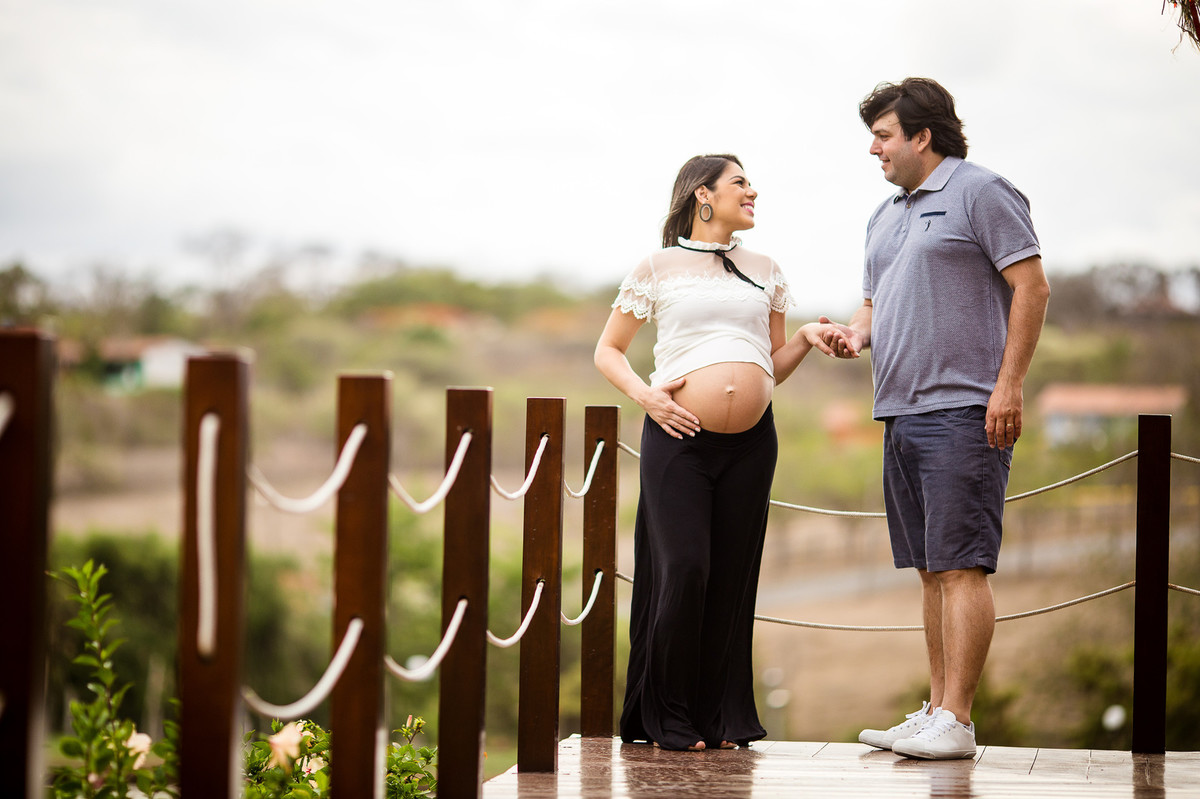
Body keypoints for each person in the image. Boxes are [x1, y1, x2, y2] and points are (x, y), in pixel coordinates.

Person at [824, 78, 1051, 760]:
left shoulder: (983, 192)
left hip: (964, 410)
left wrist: (1008, 385)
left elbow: (1032, 286)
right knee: (930, 570)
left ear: (923, 136)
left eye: (884, 135)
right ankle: (935, 711)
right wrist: (855, 334)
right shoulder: (884, 214)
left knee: (960, 569)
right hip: (898, 412)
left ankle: (958, 716)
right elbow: (872, 304)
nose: (874, 149)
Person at [595, 154, 845, 751]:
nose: (753, 190)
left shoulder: (767, 268)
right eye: (740, 182)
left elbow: (770, 366)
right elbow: (609, 351)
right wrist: (646, 397)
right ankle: (667, 716)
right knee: (684, 570)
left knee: (732, 576)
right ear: (703, 195)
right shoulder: (657, 266)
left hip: (753, 446)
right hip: (679, 438)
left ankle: (720, 719)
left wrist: (807, 337)